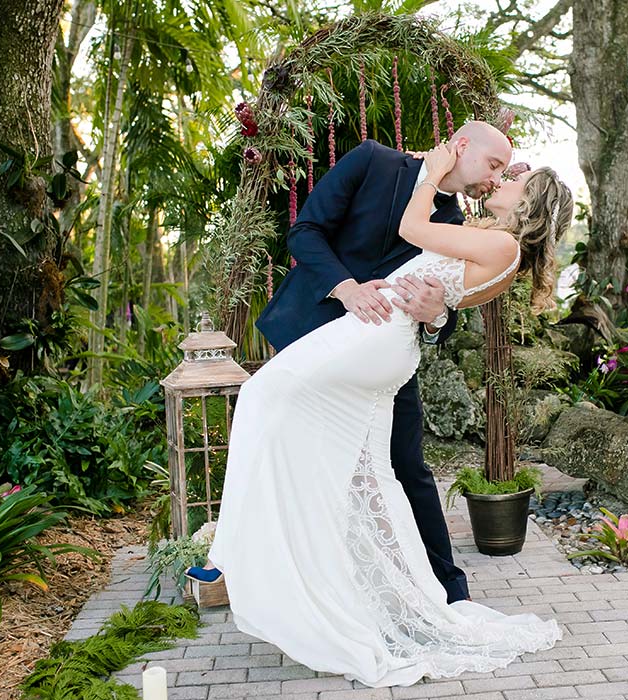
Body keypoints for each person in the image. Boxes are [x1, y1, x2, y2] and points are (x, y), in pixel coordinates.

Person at [204, 136, 574, 687]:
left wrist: (435, 314)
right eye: (494, 164)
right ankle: (376, 592)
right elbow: (305, 232)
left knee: (373, 455)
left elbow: (440, 286)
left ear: (526, 204)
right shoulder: (376, 163)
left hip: (375, 344)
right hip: (331, 325)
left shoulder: (459, 218)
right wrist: (351, 288)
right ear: (461, 145)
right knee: (361, 471)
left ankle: (239, 555)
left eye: (509, 174)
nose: (498, 177)